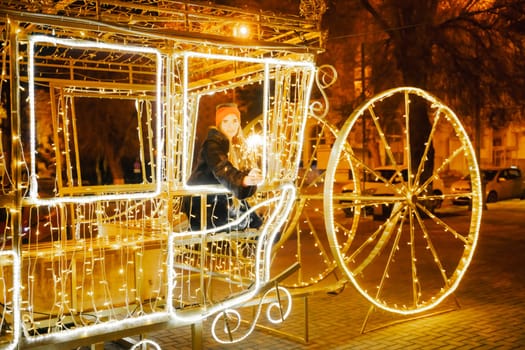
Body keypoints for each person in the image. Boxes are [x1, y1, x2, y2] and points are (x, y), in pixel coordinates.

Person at [182, 102, 263, 231]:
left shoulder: (231, 144)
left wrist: (249, 174)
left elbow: (234, 169)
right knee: (247, 221)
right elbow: (222, 168)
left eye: (234, 121)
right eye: (225, 121)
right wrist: (243, 180)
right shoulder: (212, 144)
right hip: (202, 202)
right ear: (219, 123)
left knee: (253, 222)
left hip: (216, 200)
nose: (231, 126)